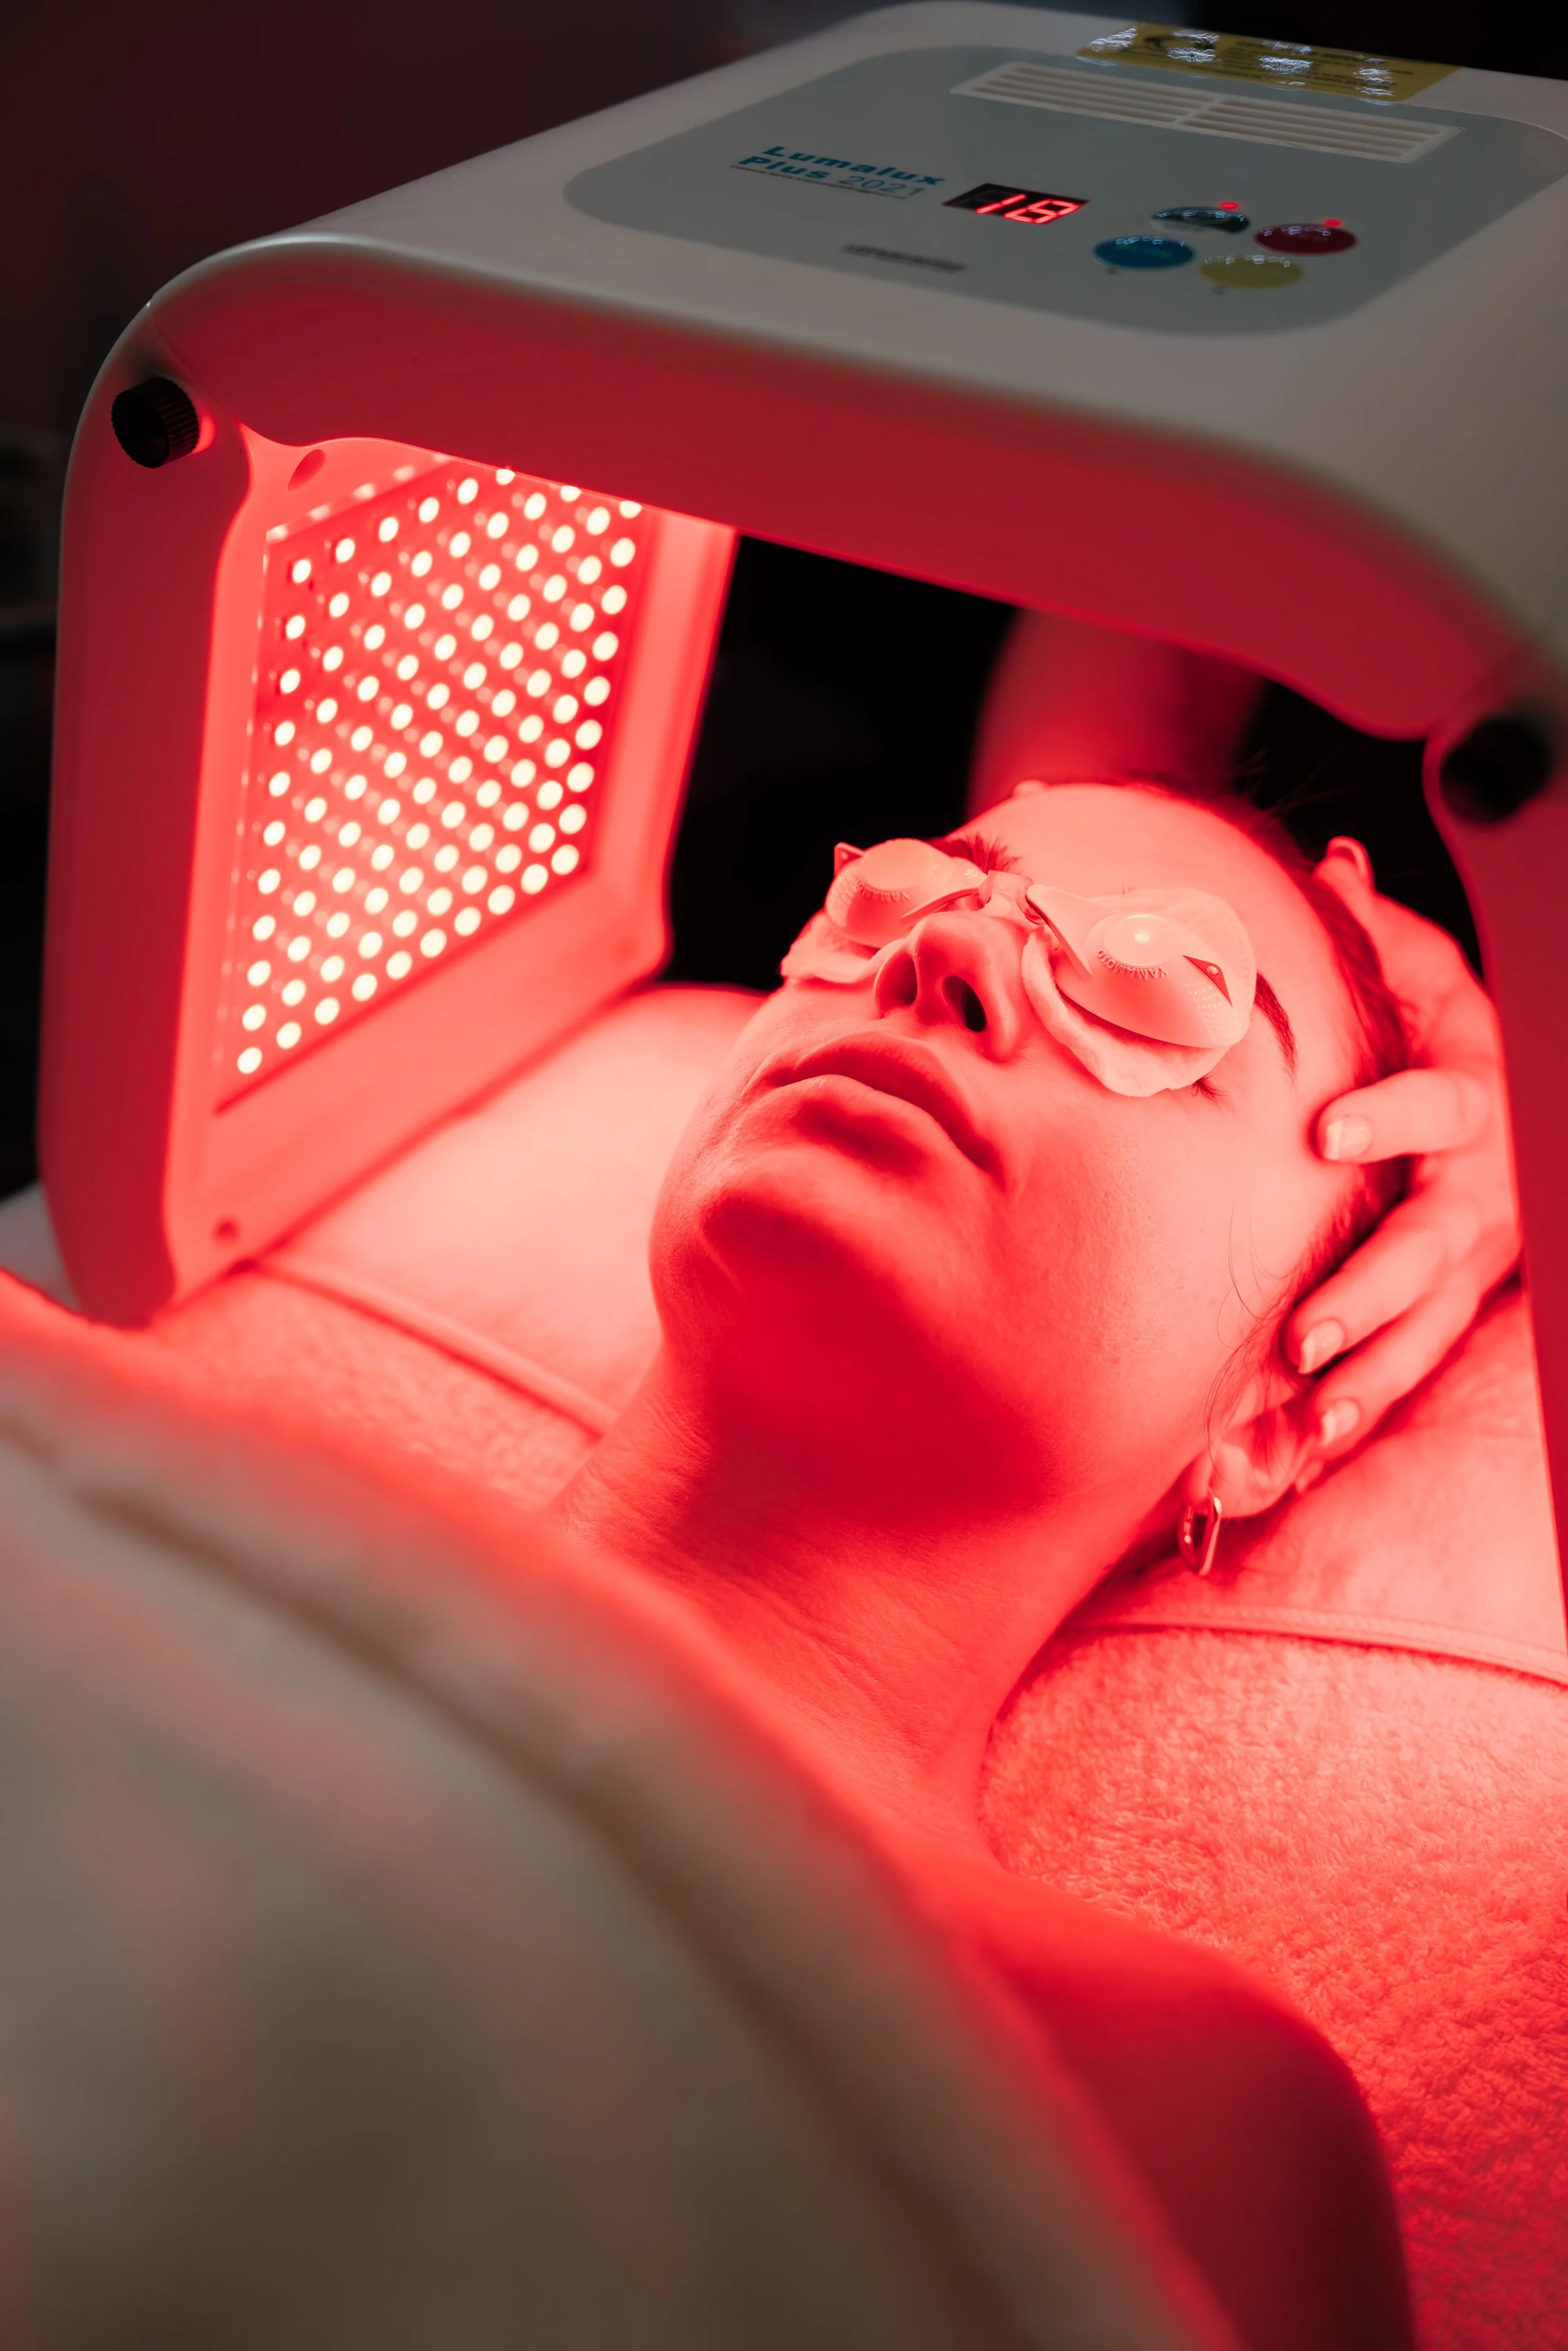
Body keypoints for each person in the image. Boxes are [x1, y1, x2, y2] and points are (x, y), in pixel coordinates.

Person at [554, 770, 1438, 2351]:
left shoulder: (1155, 2113)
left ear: (1271, 1410)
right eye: (902, 889)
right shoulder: (131, 1491)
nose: (943, 962)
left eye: (1166, 986)